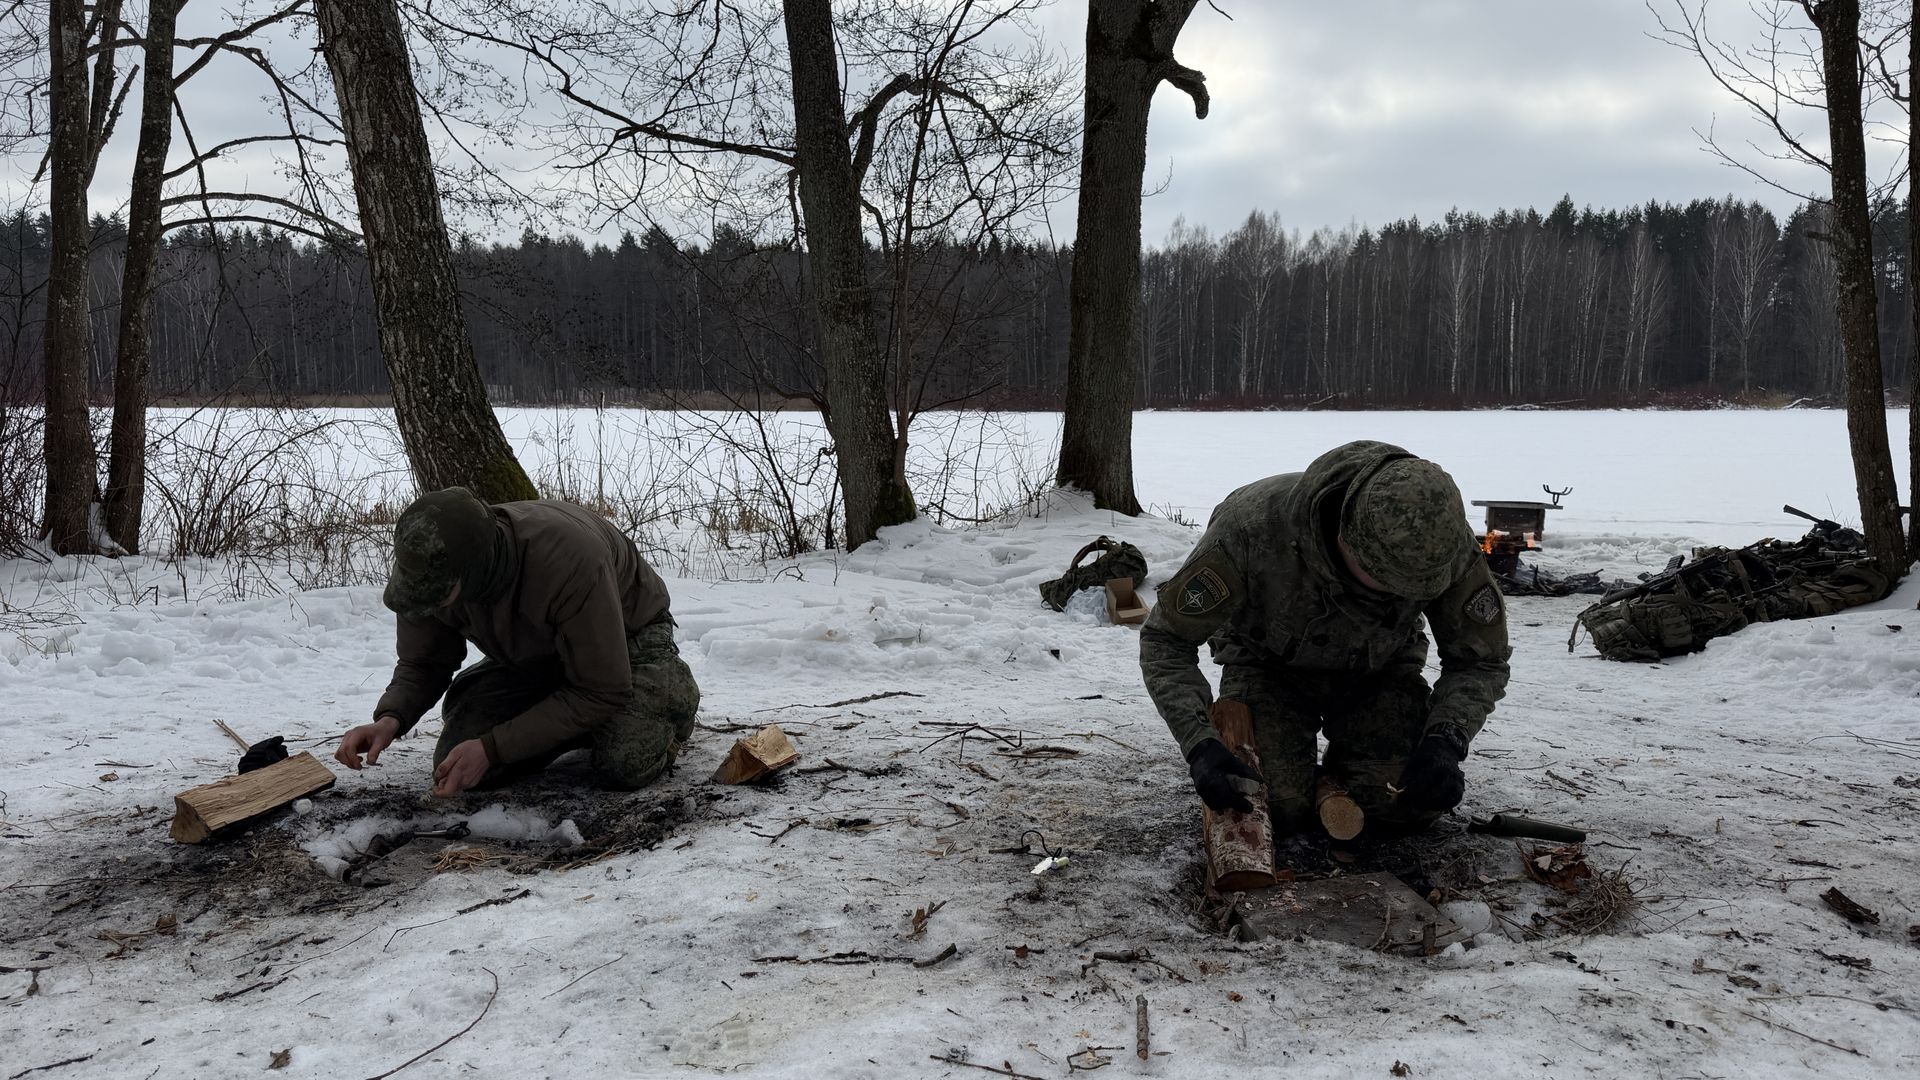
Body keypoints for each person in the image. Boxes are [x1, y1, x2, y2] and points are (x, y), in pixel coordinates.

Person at [1140, 441, 1511, 840]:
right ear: (1345, 537)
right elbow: (1166, 640)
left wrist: (1446, 739)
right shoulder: (1251, 528)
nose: (1395, 593)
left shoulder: (1443, 546)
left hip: (1379, 671)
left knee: (1408, 802)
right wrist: (1200, 744)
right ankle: (1303, 781)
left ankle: (1345, 773)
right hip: (1267, 668)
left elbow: (1480, 660)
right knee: (1269, 807)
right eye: (1385, 579)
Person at [336, 488, 700, 797]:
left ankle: (668, 698)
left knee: (626, 761)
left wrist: (493, 748)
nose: (428, 606)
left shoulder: (569, 561)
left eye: (438, 596)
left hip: (629, 640)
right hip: (540, 656)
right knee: (457, 761)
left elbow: (602, 688)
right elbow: (424, 662)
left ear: (473, 570)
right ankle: (577, 721)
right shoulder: (425, 576)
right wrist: (391, 719)